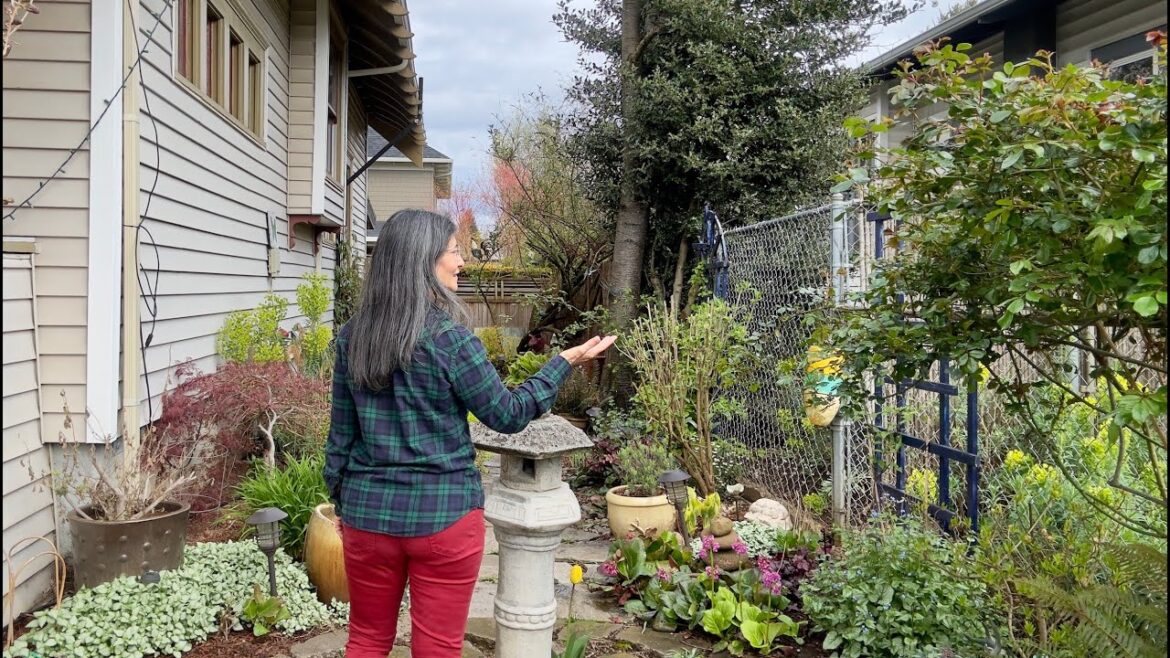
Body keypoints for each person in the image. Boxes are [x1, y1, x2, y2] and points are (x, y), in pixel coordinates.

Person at [325, 209, 615, 658]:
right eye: (455, 252)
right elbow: (508, 413)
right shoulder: (451, 340)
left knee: (365, 640)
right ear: (424, 260)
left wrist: (344, 503)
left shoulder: (352, 338)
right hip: (444, 517)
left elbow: (340, 438)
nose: (461, 262)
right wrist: (563, 364)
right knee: (438, 648)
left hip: (368, 515)